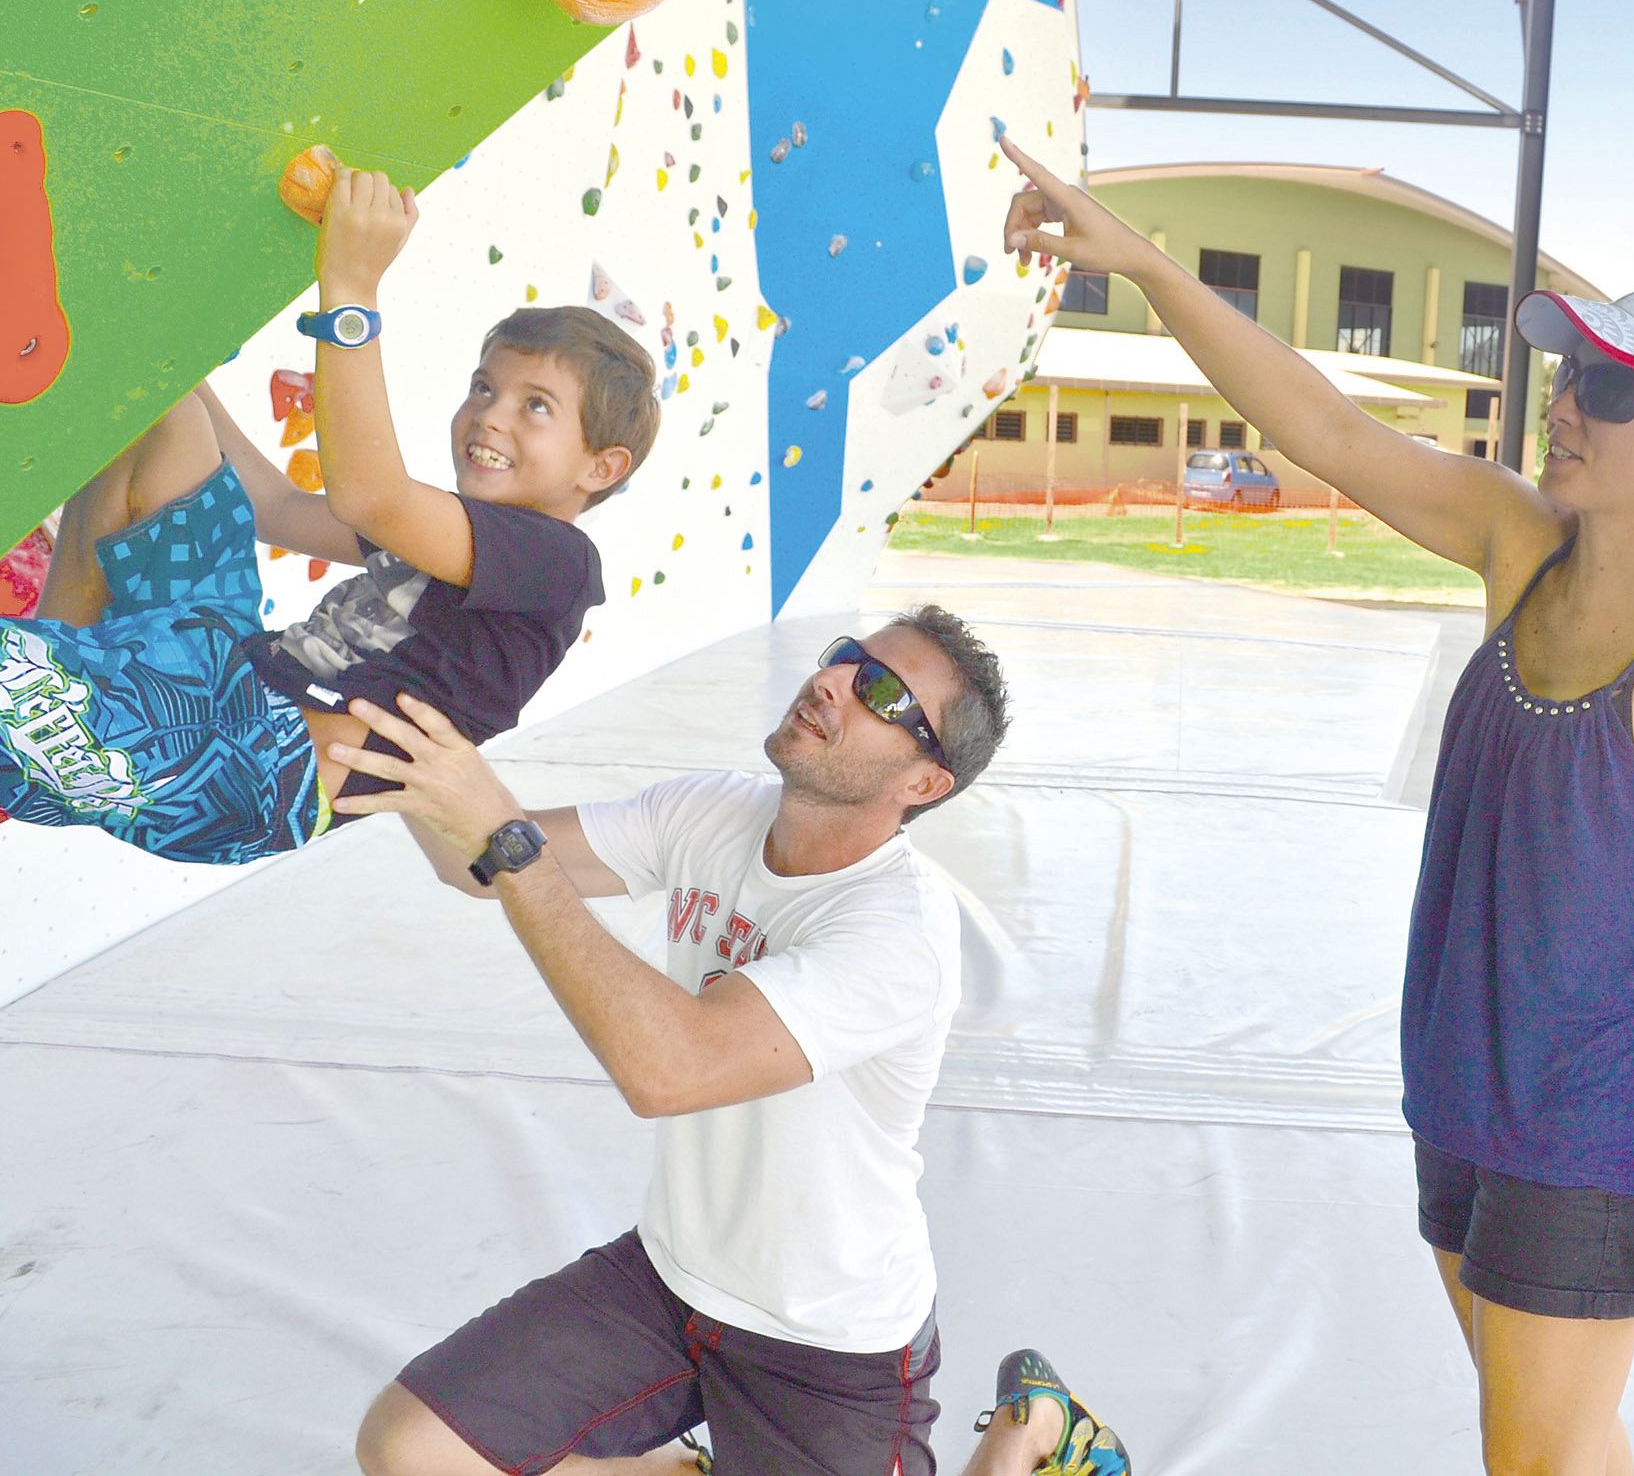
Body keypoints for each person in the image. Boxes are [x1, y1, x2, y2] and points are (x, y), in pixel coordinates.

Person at [999, 136, 1634, 1474]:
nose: (1563, 403)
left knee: (1532, 1455)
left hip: (1587, 1131)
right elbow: (1316, 423)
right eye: (1566, 374)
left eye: (1607, 387)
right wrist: (1144, 262)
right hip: (1455, 1092)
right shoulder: (1512, 542)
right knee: (1560, 1440)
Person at [337, 608, 1128, 1476]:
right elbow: (474, 861)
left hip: (827, 1343)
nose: (831, 681)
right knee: (410, 1447)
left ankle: (1032, 1429)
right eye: (845, 659)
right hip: (668, 1277)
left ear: (925, 783)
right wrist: (388, 725)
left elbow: (668, 1068)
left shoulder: (899, 934)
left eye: (880, 692)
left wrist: (510, 844)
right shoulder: (710, 810)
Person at [0, 158, 658, 865]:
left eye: (536, 406)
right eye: (483, 387)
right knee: (162, 419)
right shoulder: (450, 527)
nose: (490, 415)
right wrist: (162, 354)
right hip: (226, 671)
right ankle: (48, 692)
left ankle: (33, 712)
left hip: (255, 766)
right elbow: (274, 504)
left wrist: (350, 288)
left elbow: (369, 493)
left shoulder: (556, 565)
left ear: (601, 467)